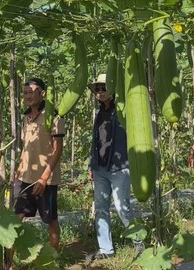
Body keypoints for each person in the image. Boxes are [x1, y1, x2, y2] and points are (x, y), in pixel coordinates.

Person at [86, 74, 139, 260]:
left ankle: (139, 243)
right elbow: (96, 141)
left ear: (114, 89)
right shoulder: (100, 112)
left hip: (119, 167)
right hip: (100, 168)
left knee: (122, 208)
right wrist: (91, 165)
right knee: (101, 208)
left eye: (103, 88)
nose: (99, 92)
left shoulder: (123, 110)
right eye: (97, 89)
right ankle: (106, 249)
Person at [13, 77, 65, 254]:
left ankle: (53, 257)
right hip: (25, 177)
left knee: (50, 219)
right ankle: (8, 262)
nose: (28, 95)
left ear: (42, 94)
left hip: (46, 179)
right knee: (16, 218)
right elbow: (25, 146)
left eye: (32, 92)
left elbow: (58, 149)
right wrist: (19, 168)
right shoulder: (25, 117)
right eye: (26, 92)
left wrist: (44, 177)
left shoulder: (54, 116)